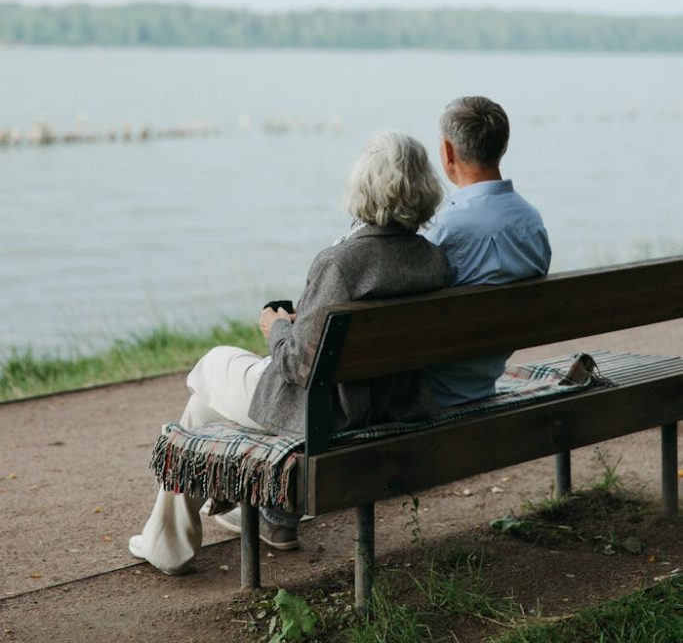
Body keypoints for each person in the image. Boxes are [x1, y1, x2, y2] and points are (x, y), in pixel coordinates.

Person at [129, 131, 450, 574]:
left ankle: (175, 543)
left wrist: (276, 326)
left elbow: (298, 366)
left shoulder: (338, 262)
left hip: (327, 413)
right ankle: (257, 521)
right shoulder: (434, 260)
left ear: (363, 187)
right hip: (388, 403)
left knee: (211, 367)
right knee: (201, 409)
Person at [424, 96, 551, 408]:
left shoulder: (444, 231)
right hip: (487, 377)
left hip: (431, 389)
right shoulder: (532, 223)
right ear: (503, 147)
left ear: (447, 151)